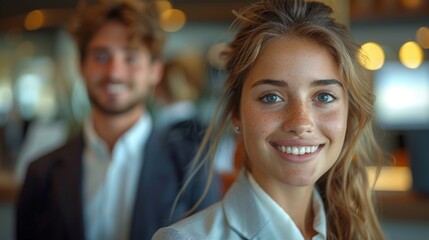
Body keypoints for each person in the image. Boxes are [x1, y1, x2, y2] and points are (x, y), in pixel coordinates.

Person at [152, 0, 385, 239]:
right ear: (236, 112)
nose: (300, 123)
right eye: (272, 97)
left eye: (324, 96)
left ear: (349, 111)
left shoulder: (357, 232)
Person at [15, 1, 220, 240]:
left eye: (131, 58)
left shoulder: (192, 168)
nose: (114, 72)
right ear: (81, 66)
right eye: (101, 56)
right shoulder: (42, 173)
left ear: (155, 70)